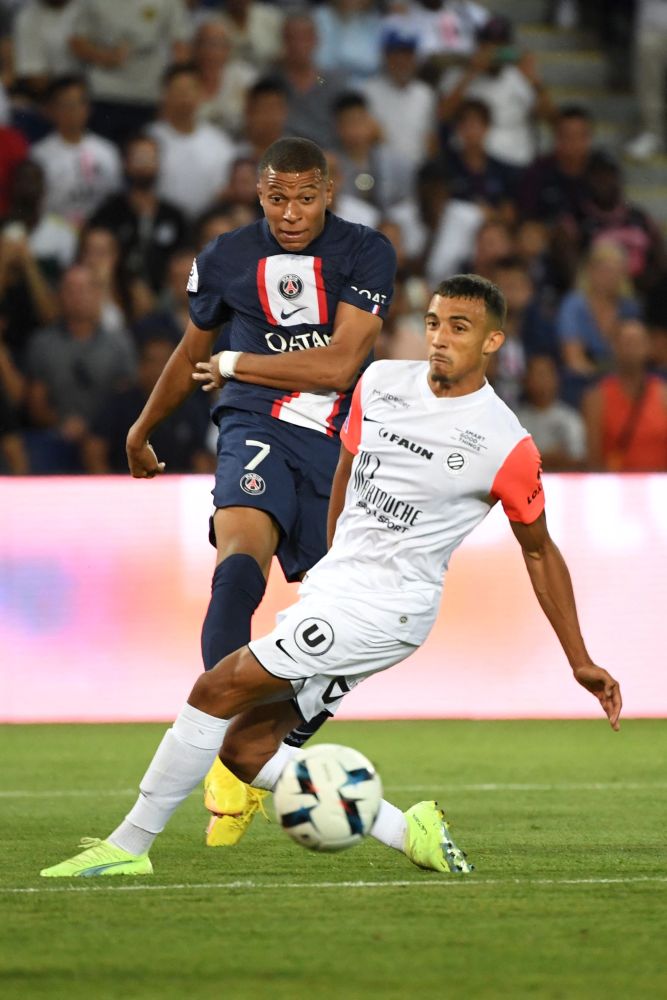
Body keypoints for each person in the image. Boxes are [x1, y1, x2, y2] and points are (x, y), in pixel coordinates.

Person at [40, 273, 622, 880]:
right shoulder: (380, 381)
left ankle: (128, 847)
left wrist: (578, 658)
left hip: (387, 609)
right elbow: (347, 465)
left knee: (215, 689)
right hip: (338, 589)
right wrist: (332, 559)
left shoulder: (506, 443)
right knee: (245, 750)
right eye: (433, 323)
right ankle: (410, 831)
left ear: (493, 341)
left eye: (459, 327)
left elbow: (539, 551)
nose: (441, 338)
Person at [123, 136, 397, 847]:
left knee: (341, 626)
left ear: (328, 192)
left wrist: (238, 358)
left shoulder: (366, 254)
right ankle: (221, 740)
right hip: (252, 423)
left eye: (306, 196)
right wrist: (143, 425)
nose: (292, 211)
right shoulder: (224, 258)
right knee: (237, 565)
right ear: (259, 193)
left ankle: (248, 758)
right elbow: (193, 349)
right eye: (277, 196)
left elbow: (340, 367)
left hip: (336, 449)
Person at [581, 317, 667, 472]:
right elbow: (593, 460)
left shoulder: (664, 395)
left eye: (637, 342)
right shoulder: (596, 399)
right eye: (626, 342)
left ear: (648, 347)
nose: (631, 348)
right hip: (615, 489)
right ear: (614, 346)